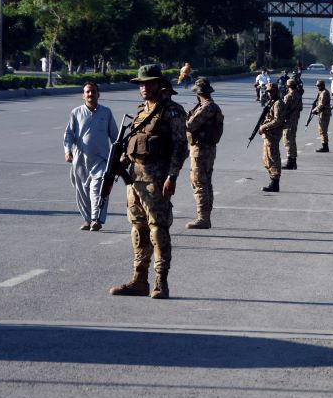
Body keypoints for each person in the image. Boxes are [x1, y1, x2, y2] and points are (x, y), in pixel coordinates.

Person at [109, 65, 187, 300]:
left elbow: (180, 146)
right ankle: (139, 280)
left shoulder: (172, 111)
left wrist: (172, 176)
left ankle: (160, 283)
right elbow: (134, 142)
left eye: (148, 83)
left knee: (158, 231)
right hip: (135, 180)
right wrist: (121, 161)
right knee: (138, 230)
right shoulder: (141, 111)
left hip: (157, 180)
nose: (143, 87)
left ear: (159, 84)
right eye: (141, 84)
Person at [63, 80, 119, 231]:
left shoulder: (106, 112)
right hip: (80, 160)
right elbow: (69, 134)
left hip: (101, 160)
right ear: (83, 95)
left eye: (93, 91)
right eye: (87, 92)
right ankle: (87, 220)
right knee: (82, 191)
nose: (90, 94)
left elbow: (114, 136)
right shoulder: (76, 112)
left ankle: (96, 219)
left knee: (98, 189)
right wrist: (67, 150)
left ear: (98, 94)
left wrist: (120, 155)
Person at [184, 77, 224, 230]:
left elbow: (190, 125)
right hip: (206, 149)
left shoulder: (207, 107)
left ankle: (203, 217)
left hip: (201, 149)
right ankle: (205, 215)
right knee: (205, 181)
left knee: (199, 182)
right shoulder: (210, 106)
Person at [259, 83, 285, 192]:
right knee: (266, 159)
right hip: (268, 134)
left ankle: (275, 183)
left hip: (273, 134)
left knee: (273, 158)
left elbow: (278, 120)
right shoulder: (272, 102)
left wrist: (265, 126)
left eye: (272, 91)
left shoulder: (278, 103)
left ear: (276, 91)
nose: (270, 94)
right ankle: (272, 180)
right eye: (269, 92)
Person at [282, 77, 303, 169]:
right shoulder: (298, 96)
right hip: (295, 121)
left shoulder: (288, 96)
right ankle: (294, 161)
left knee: (288, 141)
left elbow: (284, 110)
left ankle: (290, 162)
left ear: (288, 86)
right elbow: (301, 108)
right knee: (293, 141)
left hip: (288, 121)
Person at [312, 79, 332, 153]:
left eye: (318, 86)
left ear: (322, 86)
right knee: (321, 130)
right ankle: (324, 145)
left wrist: (314, 110)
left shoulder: (324, 93)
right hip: (322, 113)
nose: (317, 87)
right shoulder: (321, 92)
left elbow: (322, 104)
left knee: (323, 130)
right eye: (317, 86)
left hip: (325, 114)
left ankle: (325, 147)